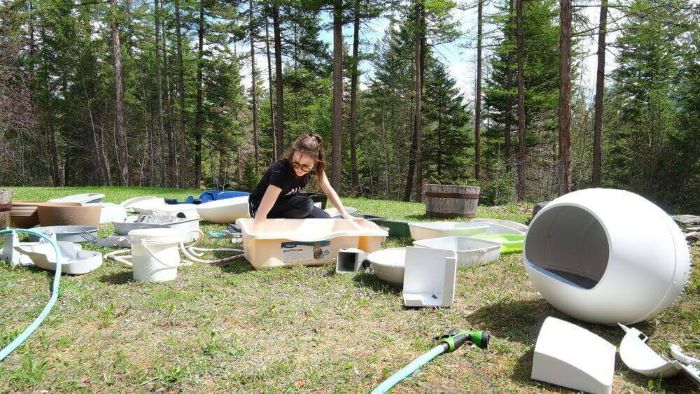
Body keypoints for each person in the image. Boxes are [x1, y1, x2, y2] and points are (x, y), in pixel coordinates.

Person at [249, 133, 364, 228]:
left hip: (286, 204)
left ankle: (288, 225)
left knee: (325, 219)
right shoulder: (281, 170)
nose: (299, 169)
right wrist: (258, 224)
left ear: (315, 163)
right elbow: (266, 202)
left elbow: (329, 191)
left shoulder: (316, 169)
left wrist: (345, 214)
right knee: (306, 204)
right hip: (260, 206)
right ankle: (277, 225)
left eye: (305, 166)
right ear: (292, 156)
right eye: (296, 163)